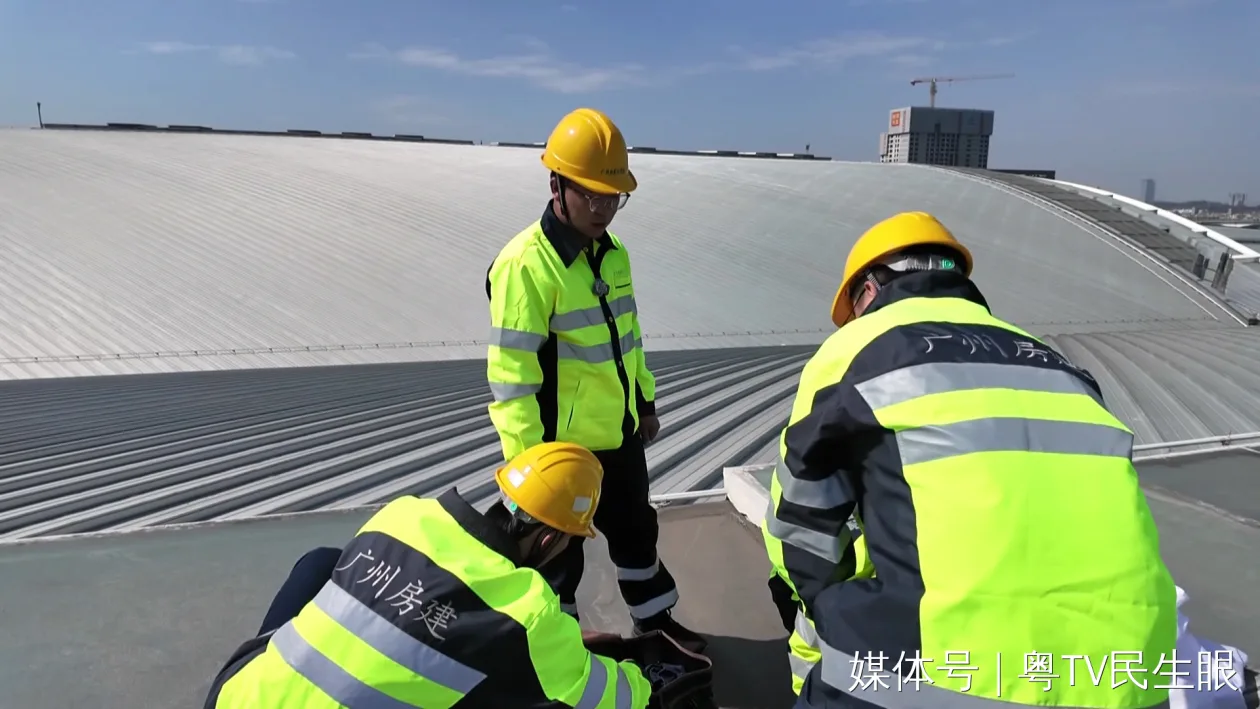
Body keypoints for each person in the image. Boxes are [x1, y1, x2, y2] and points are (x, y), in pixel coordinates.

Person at [761, 211, 1181, 708]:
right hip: (1134, 676)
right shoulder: (1054, 361)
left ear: (867, 292)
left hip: (948, 676)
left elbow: (799, 522)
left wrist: (824, 610)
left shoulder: (856, 348)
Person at [204, 441, 653, 708]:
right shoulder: (525, 613)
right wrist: (645, 676)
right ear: (548, 539)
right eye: (571, 540)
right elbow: (607, 698)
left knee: (324, 562)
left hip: (237, 696)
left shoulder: (403, 515)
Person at [484, 107, 704, 653]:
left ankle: (655, 625)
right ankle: (558, 651)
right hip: (560, 452)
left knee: (637, 534)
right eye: (591, 195)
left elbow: (629, 339)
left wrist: (644, 403)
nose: (603, 209)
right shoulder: (525, 264)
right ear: (556, 185)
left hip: (619, 436)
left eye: (613, 197)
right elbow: (512, 378)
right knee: (559, 562)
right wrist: (529, 465)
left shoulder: (614, 255)